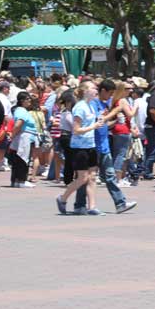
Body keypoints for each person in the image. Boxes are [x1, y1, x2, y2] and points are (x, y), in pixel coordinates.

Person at [73, 80, 137, 214]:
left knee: (109, 175)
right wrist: (115, 111)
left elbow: (104, 124)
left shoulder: (104, 104)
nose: (110, 96)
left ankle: (120, 203)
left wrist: (115, 121)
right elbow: (98, 120)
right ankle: (79, 205)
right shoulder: (93, 104)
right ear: (103, 91)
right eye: (110, 93)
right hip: (93, 145)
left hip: (104, 144)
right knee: (87, 177)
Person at [57, 81, 105, 215]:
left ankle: (92, 206)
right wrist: (93, 126)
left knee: (93, 177)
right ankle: (63, 198)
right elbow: (76, 130)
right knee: (82, 178)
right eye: (92, 88)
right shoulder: (80, 107)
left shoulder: (91, 106)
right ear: (84, 91)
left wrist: (101, 120)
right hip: (79, 146)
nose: (96, 89)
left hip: (91, 145)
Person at [7, 92, 38, 188]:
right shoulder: (21, 111)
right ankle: (21, 180)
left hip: (23, 136)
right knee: (23, 159)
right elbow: (18, 124)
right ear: (22, 101)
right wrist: (12, 134)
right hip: (24, 137)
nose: (30, 101)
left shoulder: (21, 110)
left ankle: (16, 180)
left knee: (19, 159)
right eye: (28, 99)